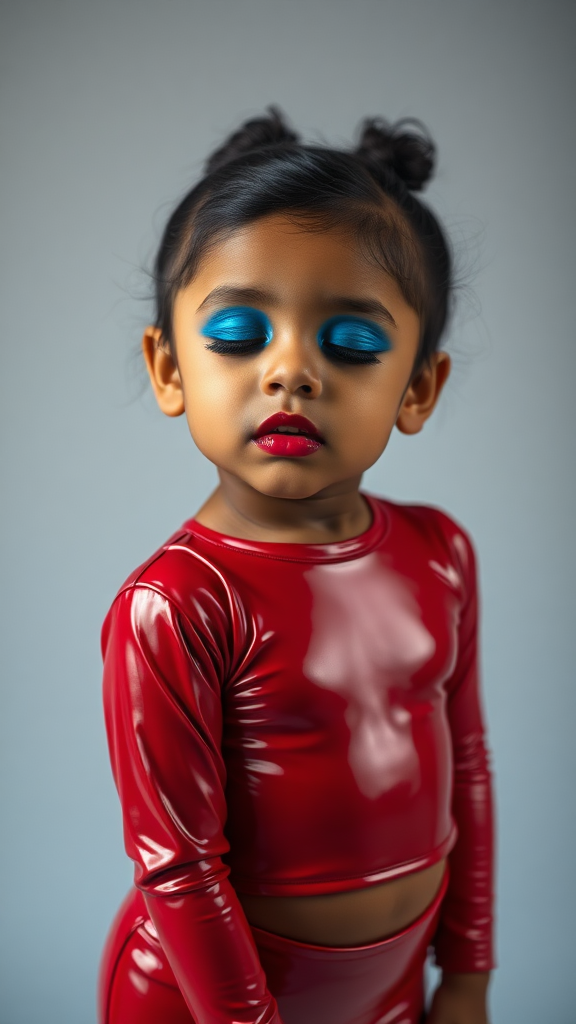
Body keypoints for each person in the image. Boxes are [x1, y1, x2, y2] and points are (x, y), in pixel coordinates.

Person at [98, 108, 495, 1024]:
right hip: (207, 1004)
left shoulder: (440, 555)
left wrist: (467, 973)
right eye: (238, 332)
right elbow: (179, 863)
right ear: (168, 370)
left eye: (352, 344)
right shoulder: (176, 605)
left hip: (393, 989)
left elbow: (467, 768)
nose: (290, 373)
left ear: (418, 388)